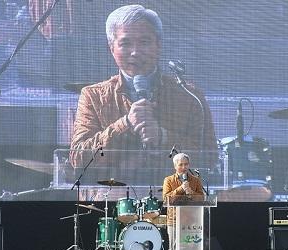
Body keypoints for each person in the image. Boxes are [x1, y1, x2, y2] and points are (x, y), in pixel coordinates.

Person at [70, 4, 217, 168]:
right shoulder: (93, 96)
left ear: (158, 45)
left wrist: (163, 137)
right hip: (111, 191)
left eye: (144, 42)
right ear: (111, 48)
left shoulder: (189, 96)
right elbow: (78, 158)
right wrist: (125, 124)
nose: (135, 52)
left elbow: (209, 159)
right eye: (125, 43)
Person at [162, 153, 205, 250]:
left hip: (191, 221)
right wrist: (181, 189)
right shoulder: (168, 180)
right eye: (180, 164)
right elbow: (166, 199)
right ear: (175, 166)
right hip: (174, 221)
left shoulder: (195, 180)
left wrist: (190, 192)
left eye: (186, 164)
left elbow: (201, 198)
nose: (184, 167)